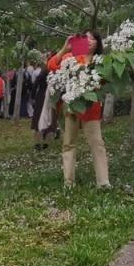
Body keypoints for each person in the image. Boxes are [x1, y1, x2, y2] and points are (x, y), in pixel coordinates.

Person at [47, 32, 110, 188]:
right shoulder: (72, 57)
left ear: (97, 43)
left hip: (91, 109)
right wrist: (65, 47)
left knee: (97, 144)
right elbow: (52, 66)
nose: (88, 41)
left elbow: (104, 82)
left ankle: (103, 182)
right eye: (86, 38)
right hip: (72, 108)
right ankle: (68, 182)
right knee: (68, 144)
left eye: (92, 38)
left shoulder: (100, 62)